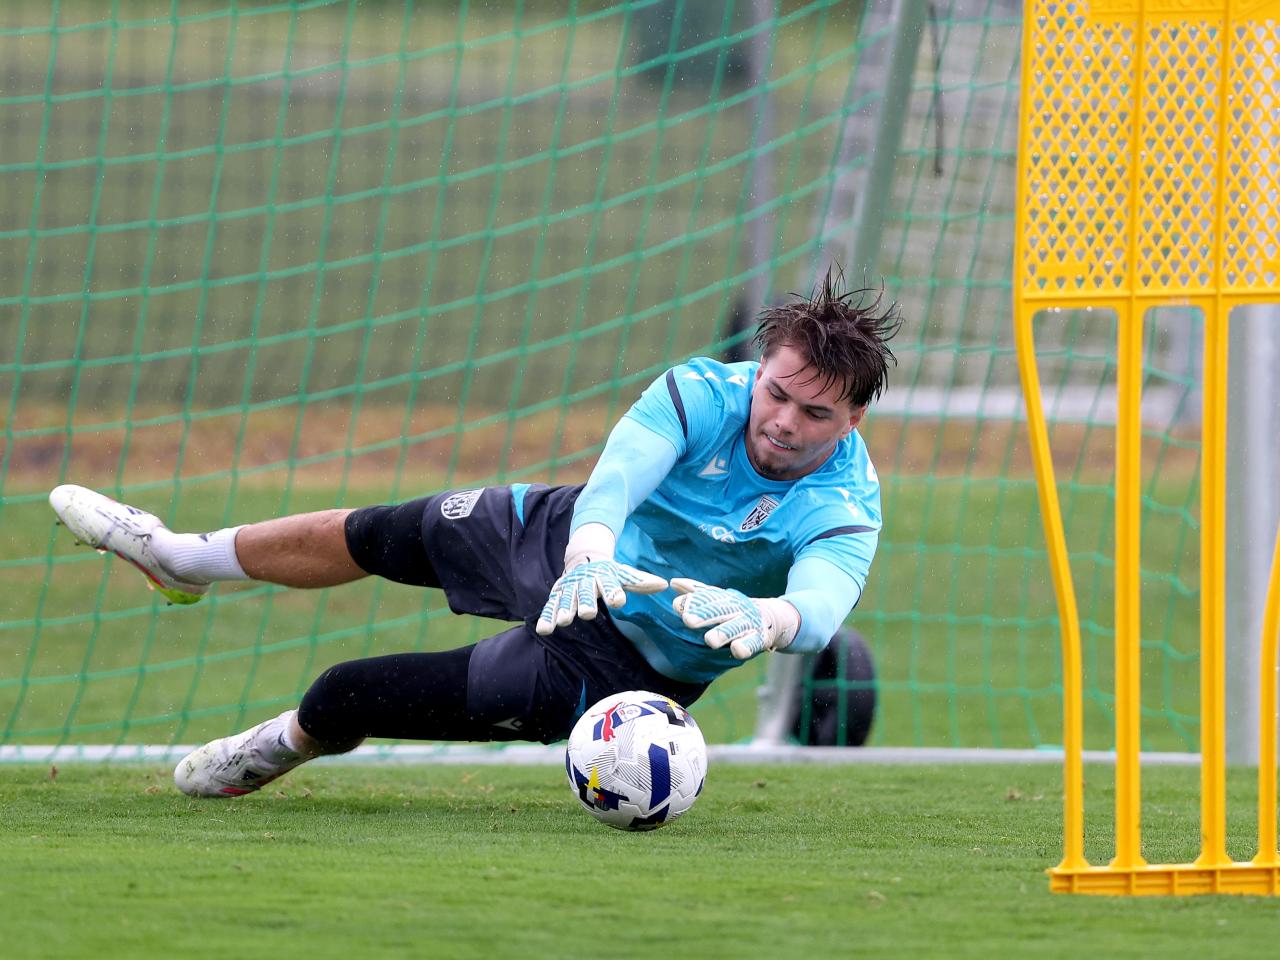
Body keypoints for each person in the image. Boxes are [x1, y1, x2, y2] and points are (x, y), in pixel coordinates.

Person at [49, 266, 900, 798]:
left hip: (624, 668)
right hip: (566, 540)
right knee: (379, 533)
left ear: (853, 418)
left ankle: (274, 750)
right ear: (764, 368)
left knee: (352, 691)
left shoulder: (845, 503)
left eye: (814, 411)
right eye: (776, 392)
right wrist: (591, 553)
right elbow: (619, 476)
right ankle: (180, 559)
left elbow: (822, 602)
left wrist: (774, 620)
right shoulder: (703, 392)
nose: (783, 419)